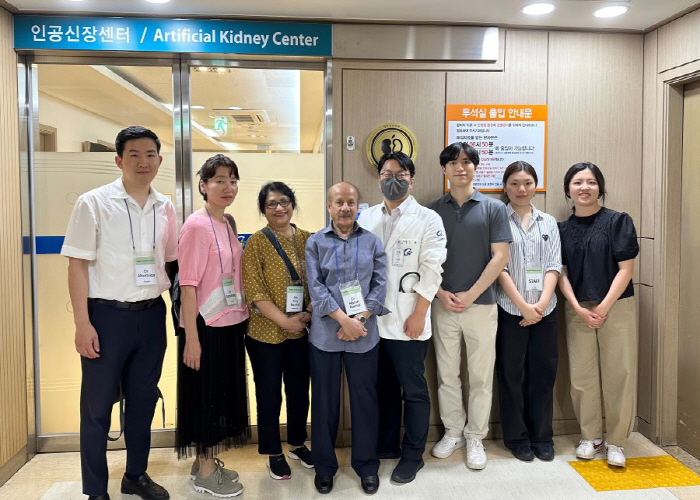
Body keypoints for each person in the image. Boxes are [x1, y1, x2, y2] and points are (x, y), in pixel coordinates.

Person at [62, 126, 176, 500]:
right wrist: (82, 323)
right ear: (118, 160)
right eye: (134, 155)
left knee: (143, 400)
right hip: (106, 317)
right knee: (96, 408)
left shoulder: (166, 206)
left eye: (150, 155)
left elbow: (173, 263)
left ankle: (136, 475)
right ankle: (95, 490)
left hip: (150, 315)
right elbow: (77, 266)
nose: (143, 162)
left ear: (159, 160)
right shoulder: (93, 202)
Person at [357, 152, 446, 483]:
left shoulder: (428, 219)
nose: (392, 178)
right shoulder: (365, 218)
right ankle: (387, 445)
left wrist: (420, 313)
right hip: (371, 322)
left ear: (412, 179)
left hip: (409, 318)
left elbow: (432, 269)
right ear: (378, 178)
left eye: (400, 173)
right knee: (383, 387)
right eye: (386, 173)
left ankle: (413, 454)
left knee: (414, 390)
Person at [428, 142, 512, 470]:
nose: (460, 167)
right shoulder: (432, 210)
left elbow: (500, 256)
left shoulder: (493, 209)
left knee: (480, 375)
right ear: (444, 170)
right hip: (442, 304)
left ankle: (476, 435)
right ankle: (453, 432)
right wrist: (439, 293)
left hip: (482, 305)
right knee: (447, 373)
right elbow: (424, 260)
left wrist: (471, 294)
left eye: (466, 162)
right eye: (453, 162)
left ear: (475, 167)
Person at [305, 182, 389, 495]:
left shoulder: (372, 241)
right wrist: (342, 320)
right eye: (338, 202)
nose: (345, 208)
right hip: (326, 336)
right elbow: (316, 286)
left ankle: (367, 465)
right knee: (325, 402)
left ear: (358, 206)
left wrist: (360, 319)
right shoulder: (315, 242)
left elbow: (380, 284)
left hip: (364, 334)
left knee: (365, 402)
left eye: (351, 202)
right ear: (329, 206)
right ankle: (324, 467)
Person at [176, 154, 249, 497]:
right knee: (205, 398)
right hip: (205, 327)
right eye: (219, 180)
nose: (227, 187)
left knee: (220, 397)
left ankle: (203, 463)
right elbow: (188, 285)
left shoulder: (227, 221)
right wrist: (191, 339)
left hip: (230, 323)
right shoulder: (196, 225)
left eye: (232, 180)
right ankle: (205, 473)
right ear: (203, 186)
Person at [558, 162, 639, 468]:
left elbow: (626, 270)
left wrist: (602, 307)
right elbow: (560, 272)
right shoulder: (561, 229)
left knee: (620, 373)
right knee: (581, 375)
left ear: (600, 188)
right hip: (576, 307)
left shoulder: (618, 221)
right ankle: (590, 437)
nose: (584, 187)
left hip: (616, 307)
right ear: (568, 190)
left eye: (591, 182)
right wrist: (578, 307)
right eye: (578, 182)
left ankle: (617, 441)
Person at [242, 181, 314, 480]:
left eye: (284, 201)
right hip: (264, 334)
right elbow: (254, 290)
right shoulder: (256, 243)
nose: (279, 208)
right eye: (271, 204)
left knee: (299, 391)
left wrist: (308, 313)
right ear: (263, 210)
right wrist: (284, 321)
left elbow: (321, 282)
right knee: (269, 394)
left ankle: (297, 443)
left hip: (303, 330)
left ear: (292, 204)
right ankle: (273, 452)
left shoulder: (310, 240)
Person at [494, 162, 561, 462]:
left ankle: (542, 436)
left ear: (536, 185)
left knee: (544, 373)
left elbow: (553, 265)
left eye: (527, 182)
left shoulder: (548, 222)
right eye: (514, 183)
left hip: (546, 310)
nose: (521, 189)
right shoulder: (497, 220)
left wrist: (542, 304)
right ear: (505, 187)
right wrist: (523, 306)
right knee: (511, 374)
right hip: (510, 309)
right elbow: (499, 267)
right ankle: (517, 437)